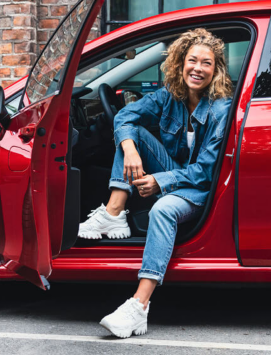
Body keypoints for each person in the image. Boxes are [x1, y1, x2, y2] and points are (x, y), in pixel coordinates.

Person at [77, 28, 233, 338]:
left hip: (201, 188)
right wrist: (131, 149)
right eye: (192, 60)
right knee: (132, 135)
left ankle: (138, 306)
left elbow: (204, 171)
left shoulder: (219, 109)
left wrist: (160, 182)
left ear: (216, 70)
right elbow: (124, 117)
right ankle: (114, 213)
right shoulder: (169, 96)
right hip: (177, 173)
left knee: (162, 209)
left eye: (207, 63)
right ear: (180, 63)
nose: (198, 69)